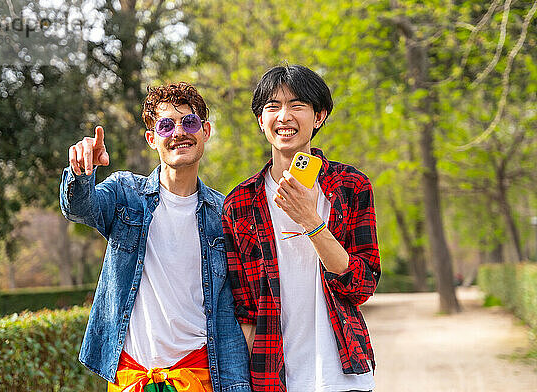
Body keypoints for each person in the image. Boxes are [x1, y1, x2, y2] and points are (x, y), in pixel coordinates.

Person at [60, 82, 251, 392]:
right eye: (166, 125)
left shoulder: (224, 214)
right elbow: (81, 209)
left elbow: (242, 306)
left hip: (200, 376)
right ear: (152, 138)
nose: (178, 132)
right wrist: (81, 174)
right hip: (132, 377)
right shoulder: (126, 194)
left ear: (206, 130)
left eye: (189, 122)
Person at [222, 65, 380, 392]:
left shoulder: (351, 187)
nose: (284, 116)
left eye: (297, 105)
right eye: (272, 106)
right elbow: (245, 311)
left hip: (344, 375)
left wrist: (311, 220)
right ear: (260, 120)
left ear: (318, 116)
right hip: (274, 378)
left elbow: (361, 285)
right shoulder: (239, 204)